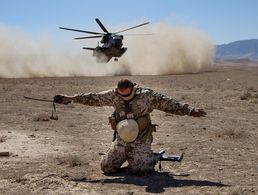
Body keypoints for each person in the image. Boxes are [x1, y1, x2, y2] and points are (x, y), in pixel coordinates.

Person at [54, 79, 206, 175]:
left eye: (128, 94)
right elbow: (94, 98)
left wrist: (189, 110)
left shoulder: (147, 96)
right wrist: (70, 98)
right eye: (122, 95)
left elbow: (168, 103)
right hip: (121, 140)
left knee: (141, 170)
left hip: (141, 139)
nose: (125, 97)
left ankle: (153, 157)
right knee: (106, 168)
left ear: (133, 88)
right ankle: (128, 156)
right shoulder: (113, 95)